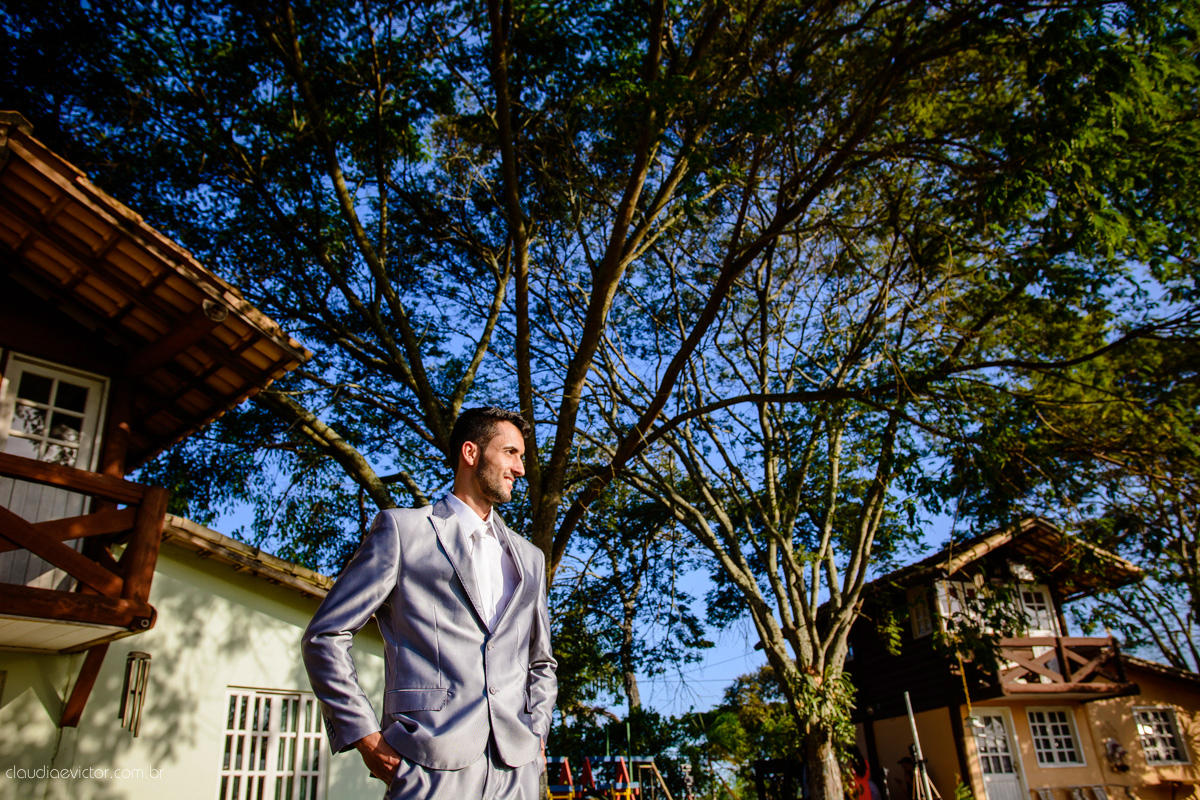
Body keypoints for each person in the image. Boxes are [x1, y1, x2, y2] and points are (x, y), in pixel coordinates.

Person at [302, 407, 558, 799]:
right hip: (429, 765)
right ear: (470, 453)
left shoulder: (530, 559)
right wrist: (366, 738)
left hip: (517, 772)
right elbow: (325, 635)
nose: (520, 468)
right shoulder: (403, 532)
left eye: (521, 457)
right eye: (510, 453)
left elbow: (540, 661)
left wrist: (536, 734)